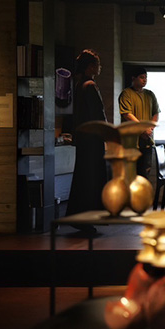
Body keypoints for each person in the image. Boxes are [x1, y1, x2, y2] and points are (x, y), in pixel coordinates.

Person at [66, 49, 108, 232]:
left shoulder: (79, 85)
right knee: (92, 178)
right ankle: (88, 218)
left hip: (83, 139)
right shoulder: (91, 86)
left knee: (83, 177)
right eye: (98, 64)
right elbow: (98, 114)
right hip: (93, 140)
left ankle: (80, 217)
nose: (100, 67)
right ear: (91, 67)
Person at [118, 66, 160, 180]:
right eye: (141, 77)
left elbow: (156, 113)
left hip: (147, 141)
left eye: (146, 77)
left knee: (144, 175)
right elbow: (127, 114)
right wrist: (143, 129)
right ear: (133, 78)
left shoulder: (150, 94)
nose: (144, 80)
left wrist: (149, 129)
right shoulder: (126, 93)